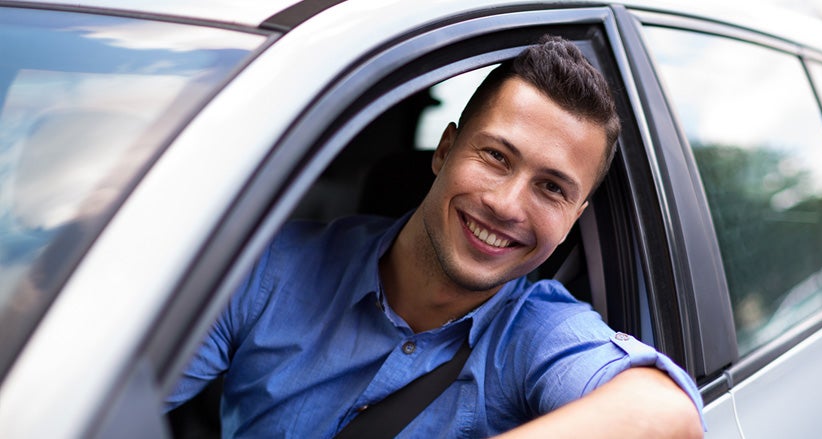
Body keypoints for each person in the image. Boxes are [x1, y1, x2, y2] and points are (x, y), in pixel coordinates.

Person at [166, 35, 704, 438]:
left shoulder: (537, 333)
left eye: (551, 188)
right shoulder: (277, 266)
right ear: (445, 151)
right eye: (496, 157)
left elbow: (666, 415)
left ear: (573, 217)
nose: (506, 205)